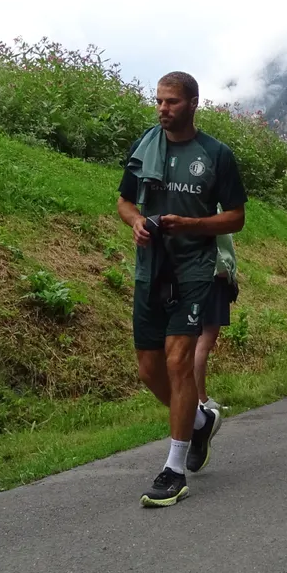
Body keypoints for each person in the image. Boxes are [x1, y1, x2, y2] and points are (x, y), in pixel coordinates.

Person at [119, 72, 247, 507]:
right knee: (149, 370)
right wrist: (136, 221)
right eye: (158, 101)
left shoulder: (216, 155)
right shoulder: (145, 145)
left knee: (178, 363)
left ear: (193, 103)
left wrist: (193, 224)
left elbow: (235, 218)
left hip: (194, 270)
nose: (162, 108)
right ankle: (197, 421)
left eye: (171, 101)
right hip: (150, 269)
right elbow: (124, 200)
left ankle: (173, 469)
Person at [193, 219, 238, 415]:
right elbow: (210, 237)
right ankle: (200, 399)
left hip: (197, 275)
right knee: (206, 338)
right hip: (212, 276)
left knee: (198, 338)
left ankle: (194, 397)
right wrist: (223, 269)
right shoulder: (209, 205)